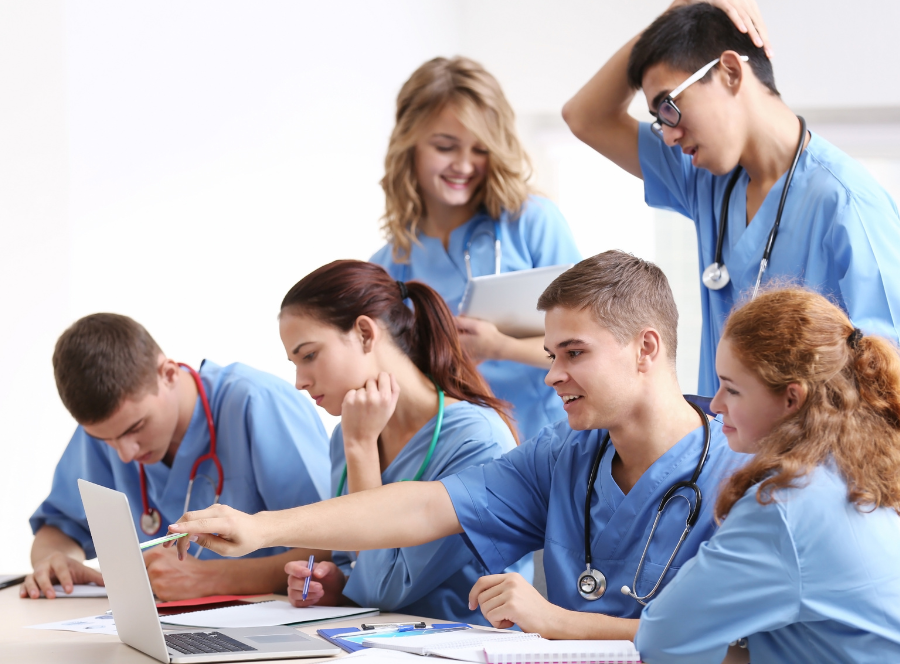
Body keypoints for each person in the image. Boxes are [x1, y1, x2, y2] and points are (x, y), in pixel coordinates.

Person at [169, 251, 745, 639]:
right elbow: (422, 505)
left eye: (573, 353)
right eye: (551, 357)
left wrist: (553, 619)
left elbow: (741, 648)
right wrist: (262, 528)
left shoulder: (745, 475)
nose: (552, 375)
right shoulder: (561, 458)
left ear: (646, 348)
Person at [562, 0, 900, 397]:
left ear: (730, 73)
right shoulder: (706, 179)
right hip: (723, 452)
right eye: (659, 119)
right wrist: (673, 17)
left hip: (813, 459)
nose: (669, 135)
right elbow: (584, 117)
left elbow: (887, 379)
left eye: (669, 106)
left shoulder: (848, 204)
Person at [635, 287, 900, 663]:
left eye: (733, 389)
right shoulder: (855, 473)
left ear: (792, 398)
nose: (715, 404)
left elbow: (661, 639)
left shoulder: (787, 505)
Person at [276, 260, 530, 624]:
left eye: (310, 355)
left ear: (365, 333)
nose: (300, 381)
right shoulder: (349, 432)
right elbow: (355, 564)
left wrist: (362, 448)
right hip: (373, 642)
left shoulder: (477, 440)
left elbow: (383, 590)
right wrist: (336, 583)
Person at [23, 313, 330, 602]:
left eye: (136, 427)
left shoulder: (259, 403)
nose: (125, 453)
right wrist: (54, 559)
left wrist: (215, 579)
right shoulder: (108, 430)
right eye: (106, 440)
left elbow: (331, 546)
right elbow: (59, 528)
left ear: (168, 374)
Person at [370, 56, 582, 440]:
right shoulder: (390, 265)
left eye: (480, 149)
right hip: (456, 451)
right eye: (446, 146)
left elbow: (590, 341)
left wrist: (499, 347)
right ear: (409, 144)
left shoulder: (533, 222)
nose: (464, 165)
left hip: (551, 442)